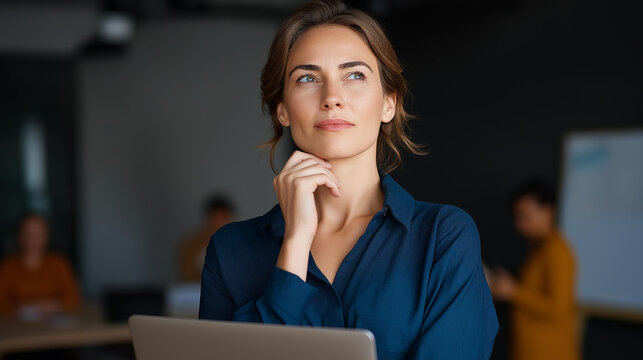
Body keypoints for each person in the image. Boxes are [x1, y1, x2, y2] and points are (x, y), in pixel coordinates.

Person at [198, 1, 499, 359]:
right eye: (307, 78)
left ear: (389, 103)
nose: (332, 98)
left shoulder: (442, 236)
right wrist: (295, 243)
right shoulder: (231, 249)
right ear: (283, 109)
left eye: (354, 75)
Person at [488, 180, 578, 360]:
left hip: (549, 353)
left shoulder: (556, 251)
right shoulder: (539, 249)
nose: (519, 224)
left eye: (526, 216)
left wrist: (514, 291)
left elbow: (558, 309)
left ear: (548, 210)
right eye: (517, 217)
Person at [0, 212, 82, 319]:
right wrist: (27, 308)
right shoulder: (8, 266)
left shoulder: (58, 263)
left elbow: (74, 299)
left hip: (54, 326)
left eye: (39, 235)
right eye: (29, 234)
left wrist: (55, 305)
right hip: (18, 328)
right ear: (20, 236)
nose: (34, 240)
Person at [179, 195, 235, 282]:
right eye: (215, 217)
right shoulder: (192, 245)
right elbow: (187, 273)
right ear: (208, 218)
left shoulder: (238, 243)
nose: (219, 222)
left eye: (223, 217)